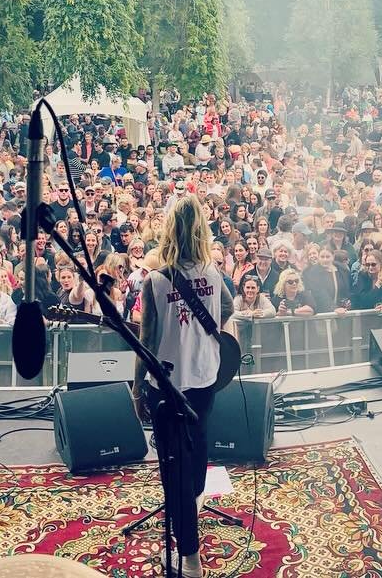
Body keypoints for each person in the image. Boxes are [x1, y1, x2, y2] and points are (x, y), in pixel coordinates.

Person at [132, 193, 234, 578]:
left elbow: (145, 340)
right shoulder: (213, 274)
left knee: (173, 470)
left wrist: (137, 388)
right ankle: (194, 500)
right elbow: (229, 309)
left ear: (170, 230)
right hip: (205, 378)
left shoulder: (155, 281)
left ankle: (190, 559)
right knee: (198, 443)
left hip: (167, 386)